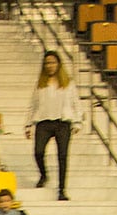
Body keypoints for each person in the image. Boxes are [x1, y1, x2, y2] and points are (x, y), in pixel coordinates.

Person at [26, 51, 79, 200]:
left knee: (62, 156)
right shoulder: (40, 84)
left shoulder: (68, 83)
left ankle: (62, 189)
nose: (50, 66)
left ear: (58, 64)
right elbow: (33, 105)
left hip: (63, 123)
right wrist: (28, 124)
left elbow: (76, 103)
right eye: (47, 63)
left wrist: (77, 122)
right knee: (38, 152)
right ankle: (44, 174)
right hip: (44, 122)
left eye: (52, 62)